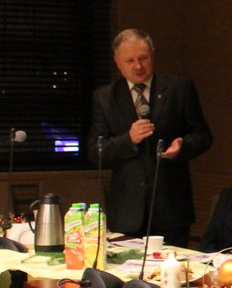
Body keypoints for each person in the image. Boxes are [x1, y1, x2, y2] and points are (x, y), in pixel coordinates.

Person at [89, 29, 213, 248]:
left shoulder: (178, 89)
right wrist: (128, 139)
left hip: (171, 207)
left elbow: (203, 136)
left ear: (152, 55)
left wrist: (182, 147)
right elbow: (95, 151)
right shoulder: (105, 97)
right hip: (126, 212)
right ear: (118, 62)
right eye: (130, 60)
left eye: (143, 58)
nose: (138, 66)